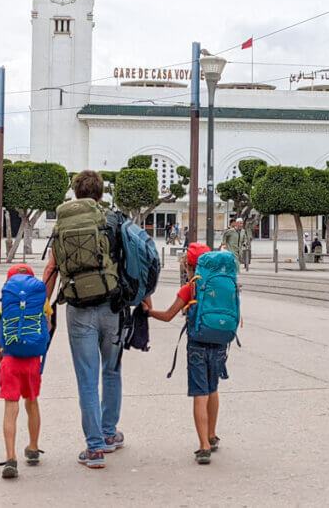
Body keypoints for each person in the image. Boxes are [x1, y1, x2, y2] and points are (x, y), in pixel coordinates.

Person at [43, 170, 126, 469]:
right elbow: (131, 261)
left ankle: (93, 450)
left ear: (75, 192)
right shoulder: (112, 220)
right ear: (101, 194)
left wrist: (46, 309)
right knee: (112, 371)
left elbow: (52, 268)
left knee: (87, 378)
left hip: (77, 307)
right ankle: (108, 434)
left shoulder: (62, 223)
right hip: (111, 306)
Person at [146, 242, 234, 465]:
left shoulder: (190, 288)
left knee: (199, 393)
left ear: (188, 265)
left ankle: (203, 446)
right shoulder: (224, 284)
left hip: (197, 344)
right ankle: (212, 436)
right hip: (220, 343)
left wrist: (148, 312)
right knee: (213, 389)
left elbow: (167, 315)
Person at [0, 263, 48, 479]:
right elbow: (47, 331)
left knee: (11, 407)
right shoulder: (40, 304)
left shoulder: (5, 306)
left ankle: (10, 458)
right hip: (32, 361)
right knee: (32, 402)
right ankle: (33, 448)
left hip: (10, 361)